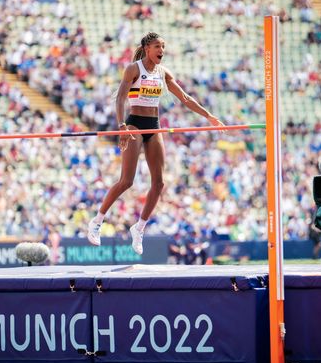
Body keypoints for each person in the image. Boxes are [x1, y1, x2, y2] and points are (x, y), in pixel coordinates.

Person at [86, 32, 224, 254]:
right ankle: (97, 221)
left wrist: (209, 116)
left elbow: (186, 99)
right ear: (147, 48)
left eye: (164, 46)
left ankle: (139, 228)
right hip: (134, 125)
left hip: (154, 125)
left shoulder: (163, 72)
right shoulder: (133, 69)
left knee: (159, 184)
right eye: (158, 46)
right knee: (127, 181)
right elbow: (121, 98)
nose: (162, 50)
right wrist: (121, 126)